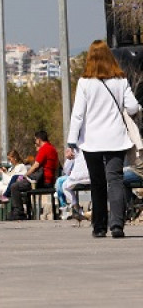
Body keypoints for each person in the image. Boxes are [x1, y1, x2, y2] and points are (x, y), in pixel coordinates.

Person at [67, 40, 141, 238]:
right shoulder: (120, 80)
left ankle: (99, 227)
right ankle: (117, 225)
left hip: (91, 141)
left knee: (97, 183)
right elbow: (133, 107)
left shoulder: (84, 82)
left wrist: (71, 141)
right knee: (115, 180)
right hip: (116, 139)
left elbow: (78, 115)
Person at [8, 130, 59, 221]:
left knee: (15, 186)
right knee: (21, 184)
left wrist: (25, 175)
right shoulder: (53, 148)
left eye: (35, 140)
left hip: (42, 181)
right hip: (50, 180)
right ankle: (23, 210)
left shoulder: (44, 149)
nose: (35, 142)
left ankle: (18, 212)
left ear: (39, 140)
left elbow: (35, 166)